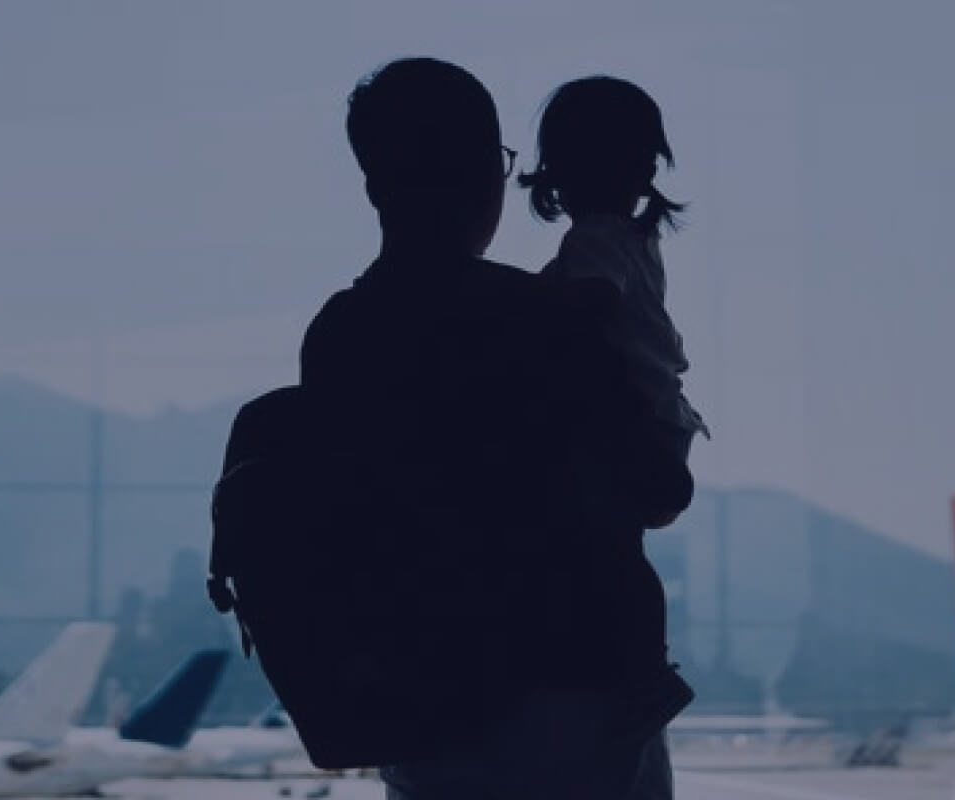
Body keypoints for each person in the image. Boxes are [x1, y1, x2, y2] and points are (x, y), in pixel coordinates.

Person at [297, 57, 694, 799]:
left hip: (424, 711)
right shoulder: (547, 320)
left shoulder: (340, 336)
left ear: (374, 182)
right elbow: (661, 489)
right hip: (572, 701)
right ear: (487, 171)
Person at [518, 75, 707, 463]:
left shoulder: (593, 238)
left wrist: (525, 304)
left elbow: (593, 302)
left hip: (636, 415)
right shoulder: (639, 240)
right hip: (664, 411)